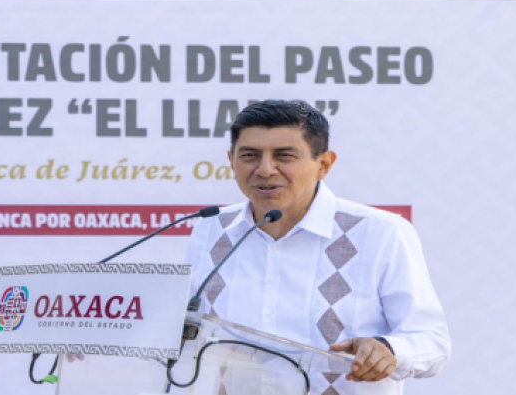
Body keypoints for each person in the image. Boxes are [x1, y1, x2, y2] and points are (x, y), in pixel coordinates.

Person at [183, 99, 450, 394]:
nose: (265, 169)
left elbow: (432, 341)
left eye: (284, 156)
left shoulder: (379, 233)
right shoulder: (211, 229)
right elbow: (185, 327)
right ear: (231, 161)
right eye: (250, 156)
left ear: (324, 164)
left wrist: (386, 349)